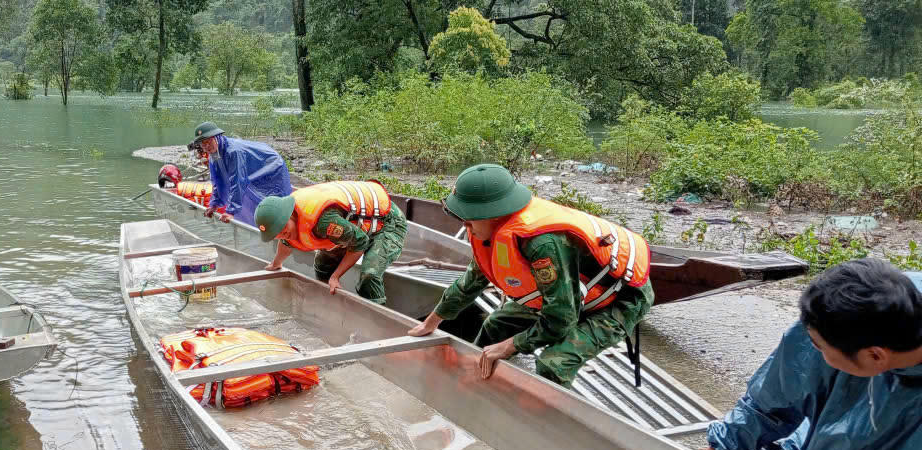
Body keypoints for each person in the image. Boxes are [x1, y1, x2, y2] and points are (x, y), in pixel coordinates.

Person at [661, 259, 922, 450]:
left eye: (820, 347)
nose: (814, 351)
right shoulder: (854, 311)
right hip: (829, 449)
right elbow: (775, 394)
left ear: (875, 356)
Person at [407, 163, 654, 386]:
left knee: (553, 364)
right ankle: (476, 385)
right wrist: (430, 323)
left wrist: (510, 346)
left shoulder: (542, 244)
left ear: (494, 213)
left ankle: (548, 425)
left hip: (618, 298)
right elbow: (469, 284)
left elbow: (560, 320)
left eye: (469, 219)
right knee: (495, 325)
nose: (464, 226)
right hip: (572, 293)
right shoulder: (489, 233)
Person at [254, 181, 406, 305]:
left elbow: (360, 242)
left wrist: (336, 276)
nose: (282, 234)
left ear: (289, 215)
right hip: (351, 225)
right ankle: (330, 307)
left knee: (369, 274)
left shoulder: (323, 222)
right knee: (322, 266)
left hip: (386, 222)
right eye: (276, 233)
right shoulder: (289, 224)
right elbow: (286, 242)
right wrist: (276, 264)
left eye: (283, 228)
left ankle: (376, 320)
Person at [187, 121, 291, 226]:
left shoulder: (233, 151)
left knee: (268, 203)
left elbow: (238, 181)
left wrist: (230, 211)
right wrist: (214, 204)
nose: (207, 146)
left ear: (217, 137)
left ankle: (273, 226)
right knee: (246, 199)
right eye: (203, 144)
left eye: (209, 141)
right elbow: (217, 182)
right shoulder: (214, 155)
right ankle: (255, 227)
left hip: (271, 168)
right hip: (253, 171)